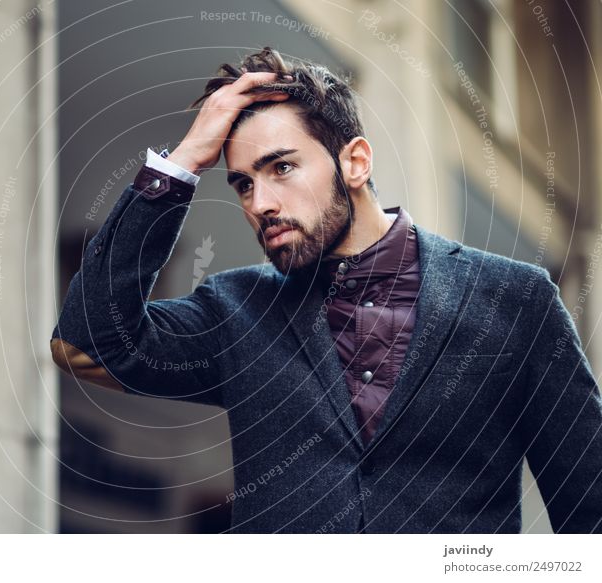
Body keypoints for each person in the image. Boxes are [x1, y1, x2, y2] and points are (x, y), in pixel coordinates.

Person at [52, 47, 602, 533]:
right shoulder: (236, 310)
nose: (259, 202)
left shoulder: (514, 300)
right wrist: (181, 165)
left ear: (355, 162)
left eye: (282, 167)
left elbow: (590, 505)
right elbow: (88, 345)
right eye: (243, 183)